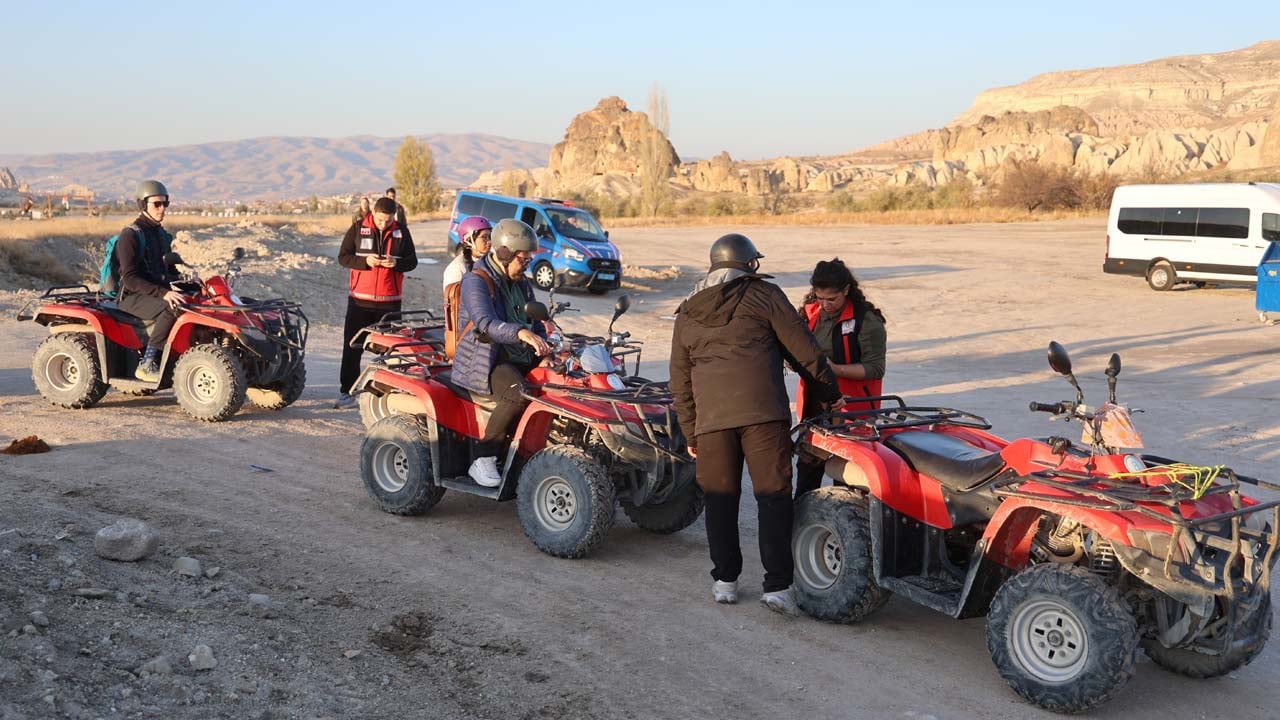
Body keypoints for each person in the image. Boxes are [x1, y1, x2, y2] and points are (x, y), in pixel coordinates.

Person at [669, 233, 841, 614]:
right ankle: (777, 587)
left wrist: (690, 426)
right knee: (773, 497)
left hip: (712, 420)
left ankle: (725, 581)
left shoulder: (687, 310)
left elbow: (679, 378)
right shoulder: (765, 295)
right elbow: (804, 352)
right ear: (749, 264)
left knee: (720, 500)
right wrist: (830, 390)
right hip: (763, 414)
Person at [451, 219, 550, 487]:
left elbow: (537, 322)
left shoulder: (521, 282)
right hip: (487, 360)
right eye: (523, 259)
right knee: (517, 394)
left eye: (530, 260)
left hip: (517, 354)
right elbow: (485, 323)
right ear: (504, 254)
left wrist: (545, 346)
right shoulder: (476, 280)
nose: (527, 264)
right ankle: (483, 459)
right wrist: (520, 333)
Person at [795, 258, 888, 497]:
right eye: (819, 297)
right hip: (816, 408)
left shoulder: (867, 321)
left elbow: (875, 368)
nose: (825, 304)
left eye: (832, 299)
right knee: (808, 471)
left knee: (847, 478)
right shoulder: (809, 313)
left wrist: (834, 369)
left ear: (846, 290)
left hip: (852, 409)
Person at [335, 196, 418, 409]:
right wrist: (365, 261)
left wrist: (396, 263)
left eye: (388, 220)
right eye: (381, 220)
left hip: (390, 302)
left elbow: (413, 262)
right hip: (360, 302)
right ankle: (347, 392)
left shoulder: (402, 231)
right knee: (352, 347)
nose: (384, 224)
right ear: (374, 213)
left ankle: (387, 394)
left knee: (390, 350)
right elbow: (343, 257)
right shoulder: (357, 228)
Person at [115, 180, 182, 382]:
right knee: (174, 306)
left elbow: (169, 270)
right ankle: (148, 361)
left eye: (165, 204)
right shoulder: (130, 235)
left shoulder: (161, 234)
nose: (162, 209)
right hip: (133, 297)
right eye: (156, 204)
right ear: (143, 205)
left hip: (154, 294)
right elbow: (129, 277)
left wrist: (189, 283)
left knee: (194, 300)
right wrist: (164, 293)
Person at [443, 216, 492, 292]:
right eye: (484, 237)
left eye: (490, 236)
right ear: (468, 239)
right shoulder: (457, 269)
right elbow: (455, 302)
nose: (489, 241)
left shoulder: (492, 262)